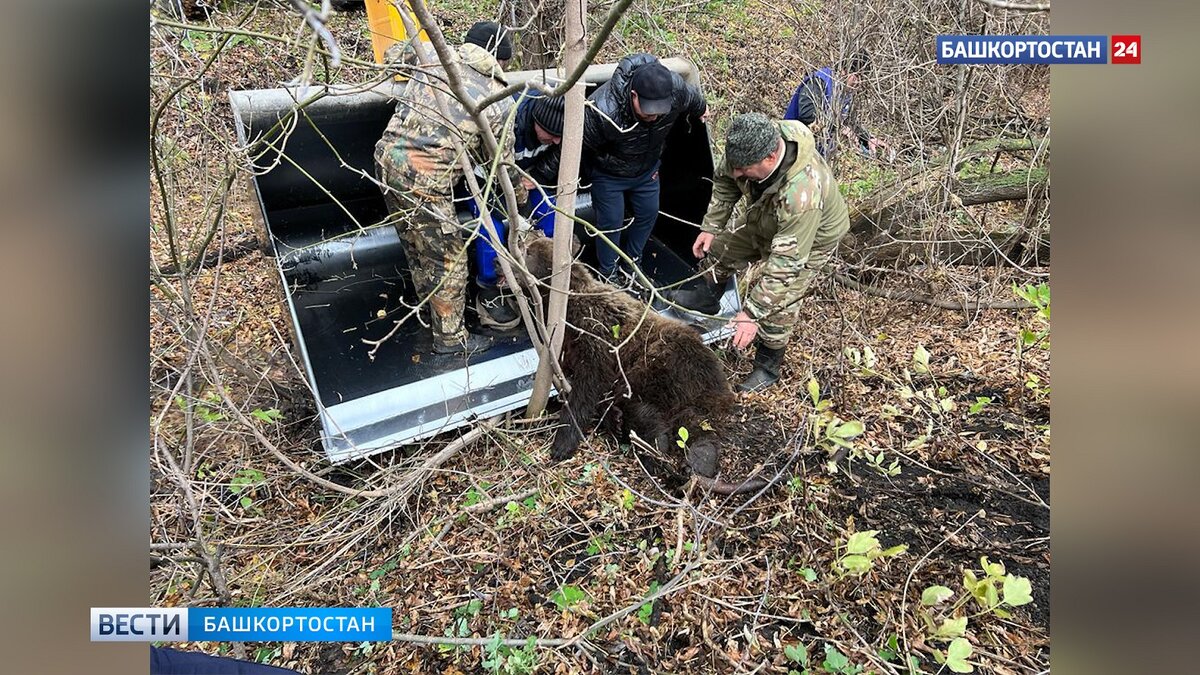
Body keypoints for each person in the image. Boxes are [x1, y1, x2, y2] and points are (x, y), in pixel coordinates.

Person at [666, 113, 850, 392]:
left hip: (811, 240)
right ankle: (707, 298)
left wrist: (751, 314)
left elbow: (785, 265)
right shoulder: (747, 148)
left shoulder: (802, 194)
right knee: (720, 249)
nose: (738, 173)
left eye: (744, 169)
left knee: (779, 305)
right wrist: (711, 227)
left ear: (769, 158)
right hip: (766, 216)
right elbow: (726, 183)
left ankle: (767, 367)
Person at [374, 21, 526, 355]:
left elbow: (392, 54)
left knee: (416, 245)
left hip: (386, 162)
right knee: (449, 262)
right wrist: (521, 197)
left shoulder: (432, 55)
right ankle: (451, 341)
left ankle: (429, 309)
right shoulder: (497, 100)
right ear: (500, 61)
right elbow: (501, 164)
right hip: (424, 183)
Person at [582, 54, 706, 283]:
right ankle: (608, 273)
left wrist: (701, 110)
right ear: (634, 95)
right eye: (648, 111)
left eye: (659, 111)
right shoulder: (603, 109)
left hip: (647, 170)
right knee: (610, 224)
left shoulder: (674, 89)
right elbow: (579, 147)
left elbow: (694, 100)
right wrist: (600, 169)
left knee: (648, 213)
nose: (654, 117)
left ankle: (632, 264)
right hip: (610, 174)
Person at [471, 94, 566, 329]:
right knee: (490, 232)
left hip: (528, 177)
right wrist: (513, 189)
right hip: (486, 183)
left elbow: (559, 151)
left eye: (559, 137)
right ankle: (491, 287)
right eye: (552, 135)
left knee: (551, 214)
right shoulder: (504, 122)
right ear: (536, 122)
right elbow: (482, 166)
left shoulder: (557, 131)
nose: (555, 141)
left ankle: (543, 275)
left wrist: (538, 175)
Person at [783, 53, 889, 159]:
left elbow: (847, 120)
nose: (859, 82)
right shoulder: (819, 81)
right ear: (844, 70)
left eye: (863, 78)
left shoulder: (845, 91)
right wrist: (839, 128)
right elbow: (807, 114)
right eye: (857, 76)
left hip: (818, 153)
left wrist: (868, 139)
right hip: (792, 145)